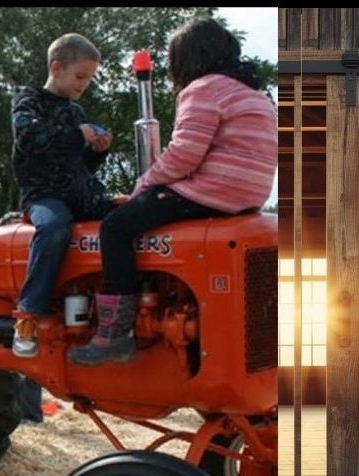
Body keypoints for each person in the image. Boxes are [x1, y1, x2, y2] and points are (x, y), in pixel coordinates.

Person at [71, 18, 276, 365]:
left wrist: (144, 185)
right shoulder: (255, 95)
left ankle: (115, 333)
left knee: (115, 226)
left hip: (212, 192)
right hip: (249, 195)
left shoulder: (203, 89)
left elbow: (184, 154)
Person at [10, 33, 115, 358]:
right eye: (80, 76)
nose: (84, 84)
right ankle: (27, 315)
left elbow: (81, 165)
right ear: (56, 68)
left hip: (81, 195)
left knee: (129, 218)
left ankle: (115, 317)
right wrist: (76, 136)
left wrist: (98, 151)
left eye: (89, 79)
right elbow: (29, 138)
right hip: (45, 195)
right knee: (55, 228)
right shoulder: (28, 101)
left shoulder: (75, 112)